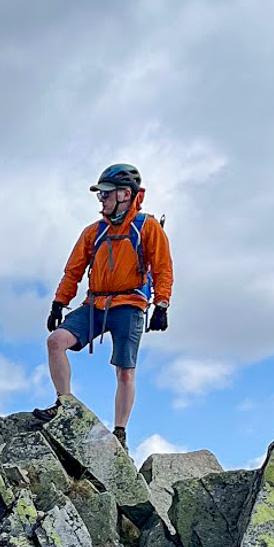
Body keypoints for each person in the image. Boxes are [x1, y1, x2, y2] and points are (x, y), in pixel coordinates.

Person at [37, 163, 173, 445]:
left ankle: (120, 432)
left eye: (106, 194)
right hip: (95, 304)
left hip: (130, 305)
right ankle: (65, 405)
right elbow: (73, 270)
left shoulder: (147, 227)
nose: (101, 200)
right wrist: (59, 302)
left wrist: (161, 304)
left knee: (125, 372)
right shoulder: (93, 231)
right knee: (55, 341)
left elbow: (162, 268)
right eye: (100, 195)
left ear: (126, 194)